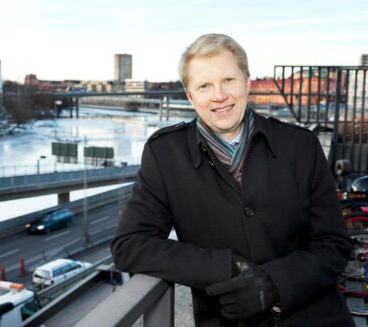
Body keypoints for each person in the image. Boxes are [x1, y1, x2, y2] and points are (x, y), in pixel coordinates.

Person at [111, 33, 355, 326]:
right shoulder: (166, 154)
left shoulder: (300, 146)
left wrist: (275, 284)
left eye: (229, 80)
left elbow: (334, 244)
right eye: (204, 86)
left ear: (247, 81)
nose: (219, 96)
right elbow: (130, 246)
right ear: (190, 96)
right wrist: (224, 266)